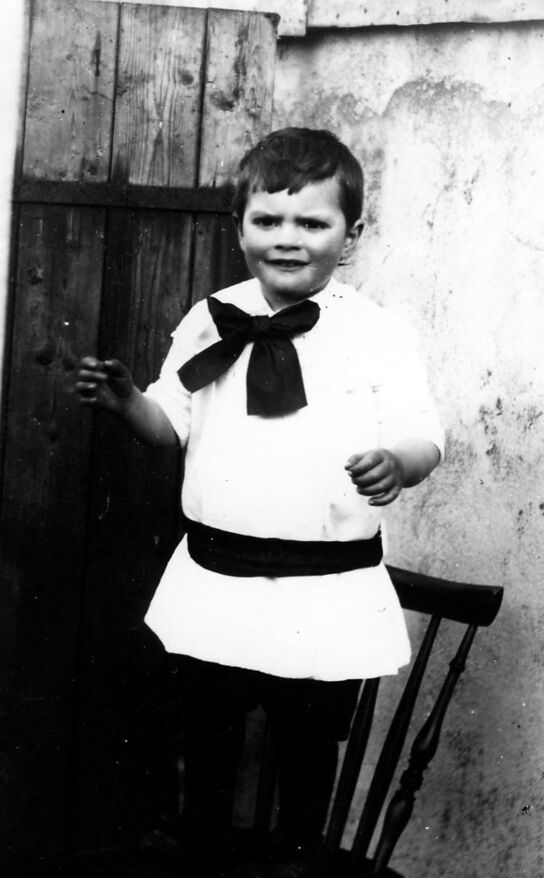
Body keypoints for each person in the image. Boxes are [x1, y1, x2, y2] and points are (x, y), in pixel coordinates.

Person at [75, 127, 445, 864]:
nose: (287, 238)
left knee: (307, 746)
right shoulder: (208, 317)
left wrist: (397, 463)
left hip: (326, 585)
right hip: (217, 577)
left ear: (351, 235)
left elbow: (424, 434)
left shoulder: (378, 334)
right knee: (206, 740)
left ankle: (300, 856)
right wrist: (128, 405)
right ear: (239, 227)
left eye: (312, 222)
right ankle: (204, 849)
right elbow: (168, 425)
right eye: (268, 220)